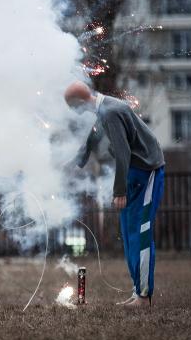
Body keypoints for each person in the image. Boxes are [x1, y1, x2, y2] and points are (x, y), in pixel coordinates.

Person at [64, 81, 165, 307]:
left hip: (147, 171)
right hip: (134, 173)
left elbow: (123, 152)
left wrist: (119, 190)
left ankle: (144, 295)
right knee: (129, 232)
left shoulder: (110, 112)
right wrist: (78, 161)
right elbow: (95, 134)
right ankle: (137, 290)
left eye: (73, 108)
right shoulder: (104, 108)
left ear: (80, 103)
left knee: (140, 233)